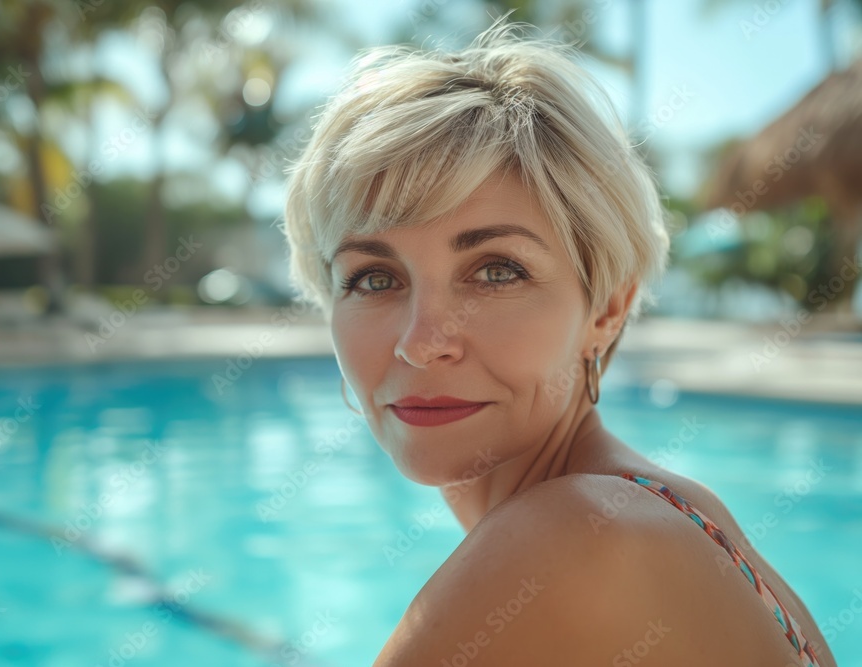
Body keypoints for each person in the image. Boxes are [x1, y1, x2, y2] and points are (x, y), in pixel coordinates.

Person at [280, 16, 834, 667]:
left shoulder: (569, 541)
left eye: (495, 271)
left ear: (608, 306)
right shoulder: (671, 511)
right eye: (374, 278)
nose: (422, 343)